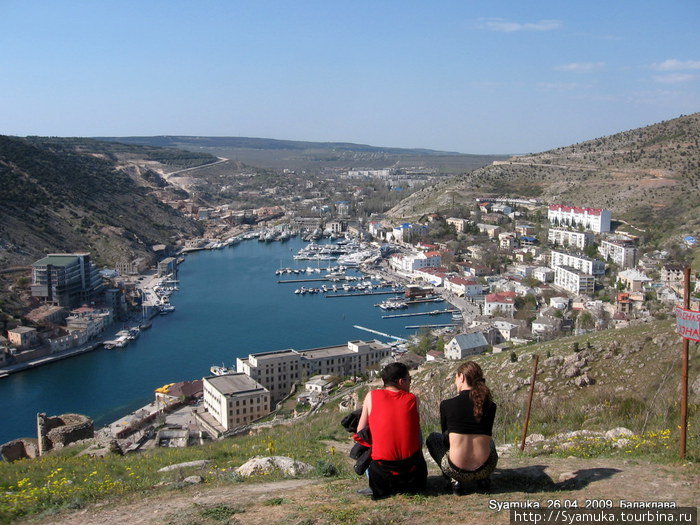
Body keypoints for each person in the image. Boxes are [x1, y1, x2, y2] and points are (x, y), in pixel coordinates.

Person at [356, 362, 427, 499]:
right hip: (414, 476)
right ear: (401, 381)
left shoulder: (371, 396)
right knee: (416, 431)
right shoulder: (412, 399)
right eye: (409, 380)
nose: (410, 383)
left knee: (367, 435)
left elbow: (360, 432)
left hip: (382, 476)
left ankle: (372, 479)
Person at [426, 361, 498, 494]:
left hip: (456, 469)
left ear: (462, 377)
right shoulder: (491, 406)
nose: (455, 382)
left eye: (456, 378)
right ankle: (483, 479)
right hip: (486, 467)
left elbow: (446, 438)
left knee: (432, 438)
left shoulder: (447, 405)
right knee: (489, 441)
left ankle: (455, 480)